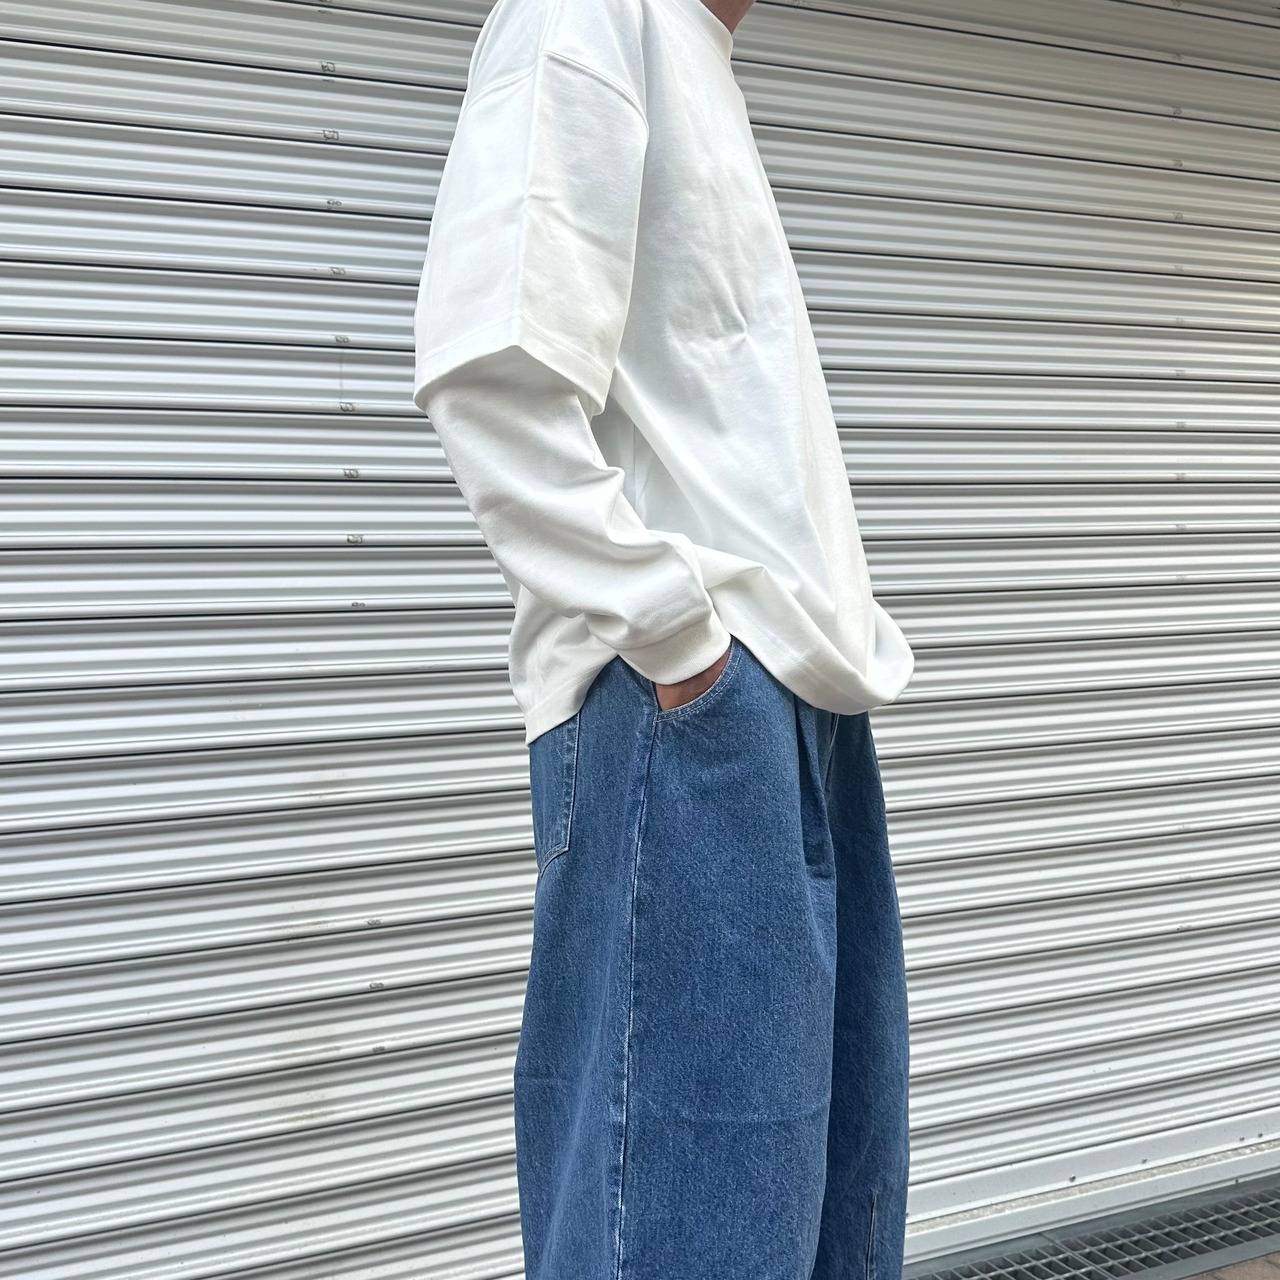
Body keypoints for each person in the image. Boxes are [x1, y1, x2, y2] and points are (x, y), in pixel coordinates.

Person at [412, 0, 915, 1274]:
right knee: (689, 1234)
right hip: (694, 725)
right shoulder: (590, 16)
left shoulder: (694, 55)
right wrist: (682, 647)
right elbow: (489, 368)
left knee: (826, 1221)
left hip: (793, 708)